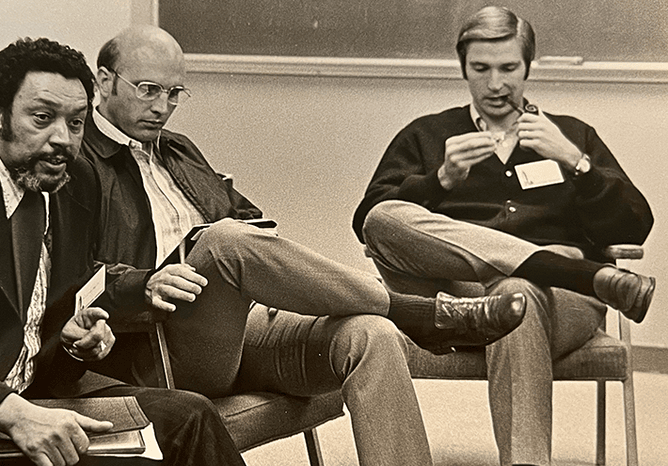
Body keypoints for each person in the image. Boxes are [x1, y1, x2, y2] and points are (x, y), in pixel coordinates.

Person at [82, 25, 528, 466]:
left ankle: (401, 321)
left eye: (175, 92)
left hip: (242, 323)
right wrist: (146, 281)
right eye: (148, 90)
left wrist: (268, 263)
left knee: (369, 334)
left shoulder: (177, 149)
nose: (163, 107)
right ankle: (420, 312)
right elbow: (70, 273)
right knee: (222, 243)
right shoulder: (77, 160)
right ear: (104, 81)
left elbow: (247, 217)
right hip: (163, 342)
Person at [0, 37, 246, 466]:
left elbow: (48, 317)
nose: (63, 139)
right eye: (42, 118)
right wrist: (12, 414)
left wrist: (74, 343)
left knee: (190, 415)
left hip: (34, 401)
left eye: (75, 123)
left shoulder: (72, 183)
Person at [353, 6, 655, 466]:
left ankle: (551, 273)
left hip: (562, 301)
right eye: (481, 69)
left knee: (517, 292)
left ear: (528, 67)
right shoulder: (427, 135)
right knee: (385, 217)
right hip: (459, 301)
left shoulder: (571, 134)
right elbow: (371, 224)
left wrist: (578, 163)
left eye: (509, 68)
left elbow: (634, 227)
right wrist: (440, 181)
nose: (496, 84)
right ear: (464, 69)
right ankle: (571, 269)